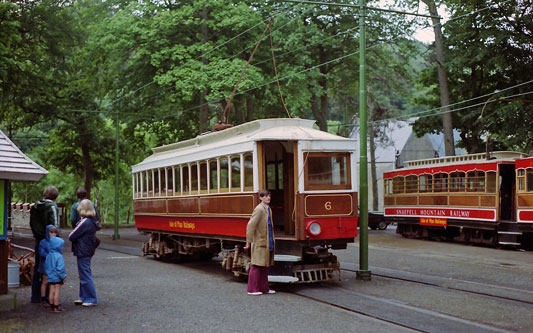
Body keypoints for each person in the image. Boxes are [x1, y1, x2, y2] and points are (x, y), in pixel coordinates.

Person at [69, 199, 101, 307]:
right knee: (83, 273)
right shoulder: (92, 221)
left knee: (85, 274)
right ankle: (83, 296)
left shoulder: (85, 222)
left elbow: (72, 236)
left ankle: (91, 298)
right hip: (87, 249)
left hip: (83, 249)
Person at [30, 186, 59, 303]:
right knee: (50, 268)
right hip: (49, 241)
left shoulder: (35, 207)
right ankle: (48, 297)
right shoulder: (52, 207)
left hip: (38, 240)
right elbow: (54, 225)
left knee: (38, 267)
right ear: (55, 196)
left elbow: (31, 223)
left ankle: (36, 295)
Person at [244, 189, 276, 296]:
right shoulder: (259, 209)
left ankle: (264, 288)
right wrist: (248, 242)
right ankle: (252, 289)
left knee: (265, 265)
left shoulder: (268, 209)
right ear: (261, 198)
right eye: (266, 196)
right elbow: (250, 226)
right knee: (256, 265)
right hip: (260, 241)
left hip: (268, 240)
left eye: (269, 196)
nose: (268, 198)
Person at [44, 235, 67, 312]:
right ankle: (56, 306)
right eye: (61, 246)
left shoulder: (48, 255)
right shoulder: (59, 256)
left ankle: (51, 307)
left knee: (51, 291)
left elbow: (46, 266)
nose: (62, 247)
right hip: (57, 277)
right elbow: (60, 268)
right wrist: (63, 276)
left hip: (50, 276)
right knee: (57, 291)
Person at [38, 225, 58, 307]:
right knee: (45, 282)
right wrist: (50, 256)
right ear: (47, 232)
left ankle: (51, 299)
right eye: (51, 232)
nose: (53, 234)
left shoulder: (57, 242)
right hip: (45, 265)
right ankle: (43, 299)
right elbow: (41, 253)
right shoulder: (43, 242)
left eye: (55, 232)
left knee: (52, 282)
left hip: (53, 265)